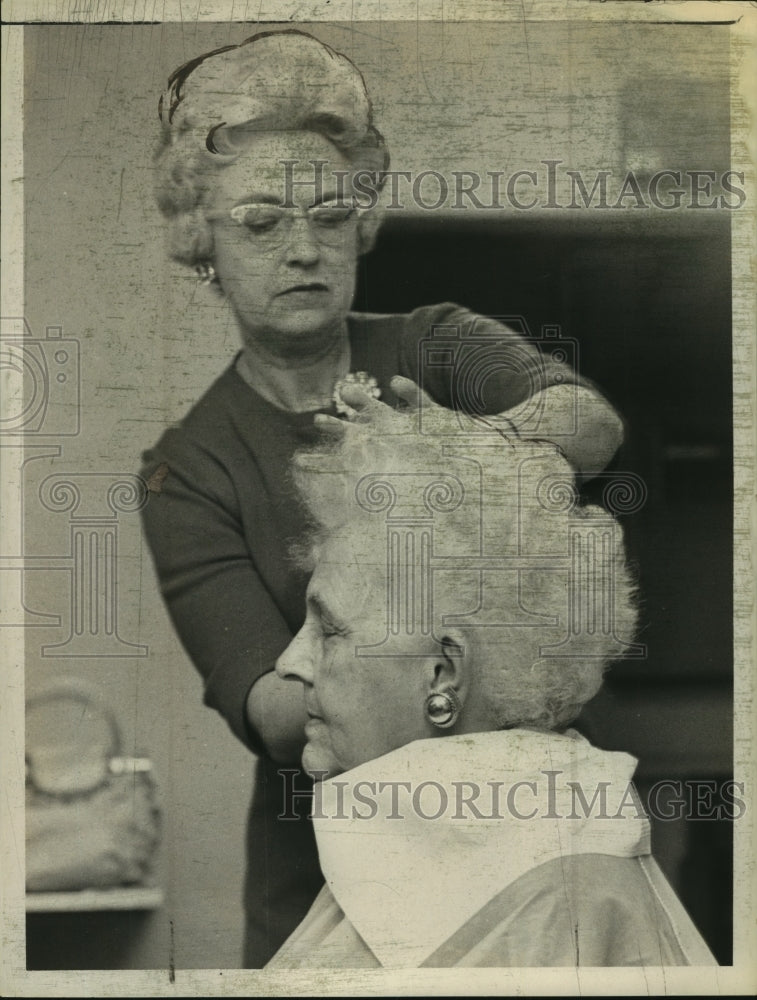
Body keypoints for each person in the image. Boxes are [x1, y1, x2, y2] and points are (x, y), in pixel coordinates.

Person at [141, 28, 625, 966]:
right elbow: (276, 716)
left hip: (522, 823)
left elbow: (590, 424)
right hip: (329, 860)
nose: (303, 248)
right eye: (260, 222)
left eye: (330, 214)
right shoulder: (186, 468)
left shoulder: (433, 343)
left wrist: (438, 451)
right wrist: (378, 635)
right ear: (203, 240)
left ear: (362, 221)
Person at [267, 402, 717, 968]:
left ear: (444, 674)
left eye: (328, 629)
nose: (289, 663)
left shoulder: (556, 905)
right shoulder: (488, 844)